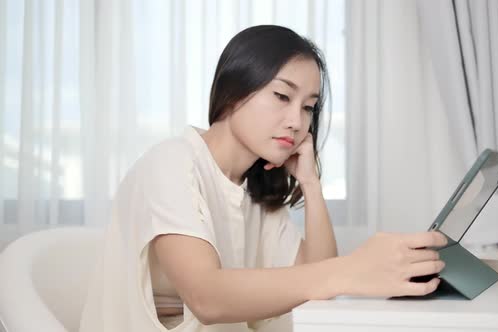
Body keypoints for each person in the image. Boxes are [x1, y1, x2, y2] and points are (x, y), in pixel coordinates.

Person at [79, 25, 447, 332]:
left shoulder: (253, 189)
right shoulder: (171, 164)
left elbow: (316, 285)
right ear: (233, 91)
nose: (297, 121)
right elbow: (208, 297)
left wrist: (312, 186)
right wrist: (352, 270)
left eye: (308, 107)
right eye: (282, 96)